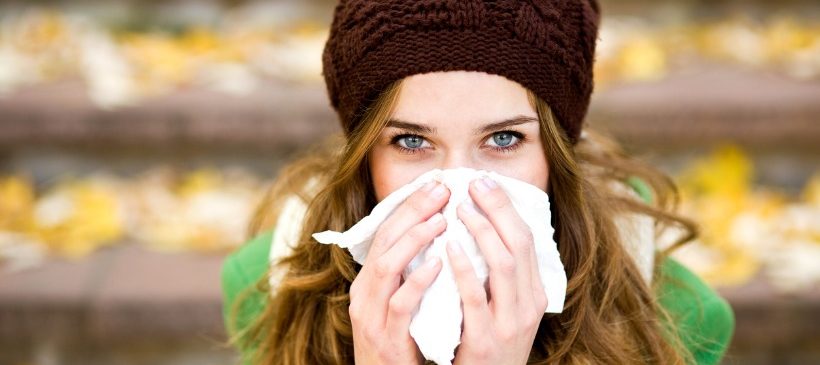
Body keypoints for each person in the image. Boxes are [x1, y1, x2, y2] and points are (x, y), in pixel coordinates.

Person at [221, 1, 735, 364]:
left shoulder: (673, 317)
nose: (458, 185)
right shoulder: (272, 289)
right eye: (411, 142)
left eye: (505, 139)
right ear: (363, 157)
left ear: (555, 152)